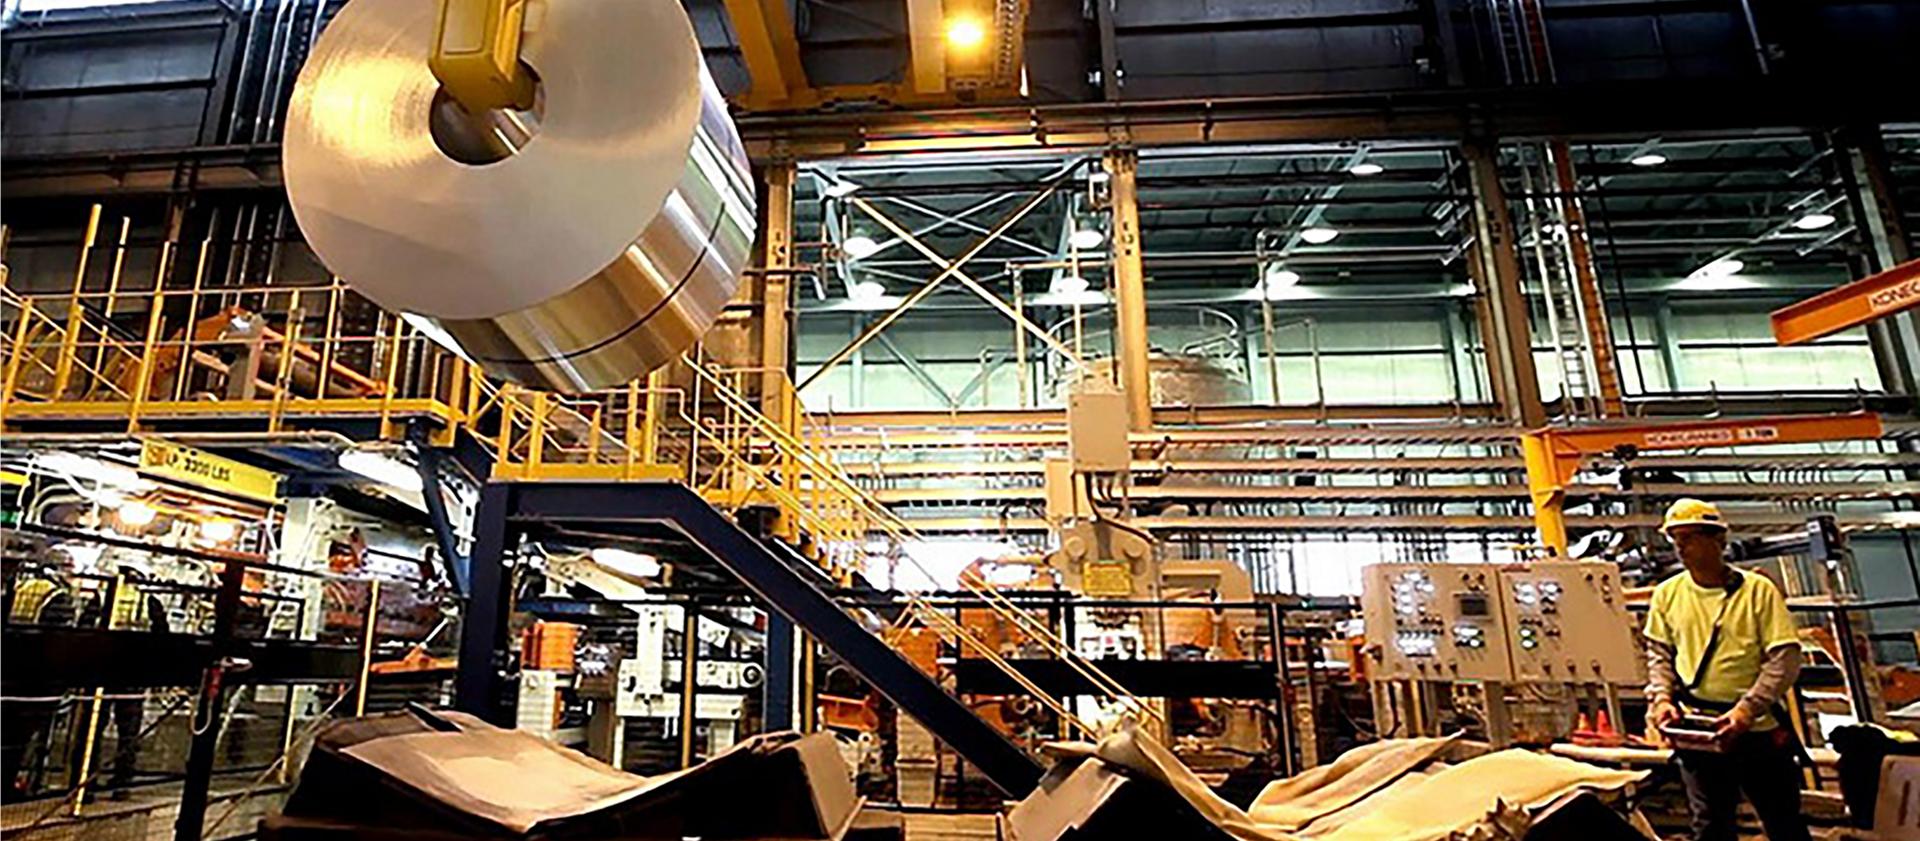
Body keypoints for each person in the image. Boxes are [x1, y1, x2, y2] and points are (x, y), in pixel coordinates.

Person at [1643, 498, 1809, 841]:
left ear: (1718, 540)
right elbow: (1660, 653)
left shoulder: (1756, 591)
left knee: (1783, 821)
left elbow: (1785, 658)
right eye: (1675, 538)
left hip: (1756, 730)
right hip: (1699, 732)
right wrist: (1661, 699)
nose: (1680, 546)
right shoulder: (1667, 594)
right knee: (1711, 826)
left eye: (1689, 537)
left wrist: (1746, 710)